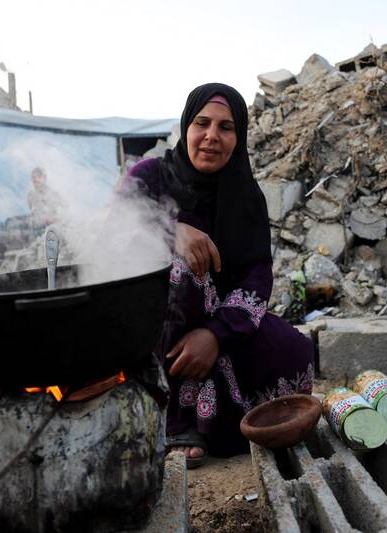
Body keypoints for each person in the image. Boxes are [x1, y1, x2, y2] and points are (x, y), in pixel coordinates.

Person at [120, 83, 314, 468]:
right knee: (182, 271)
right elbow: (110, 237)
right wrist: (170, 231)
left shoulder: (246, 195)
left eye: (226, 127)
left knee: (293, 350)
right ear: (185, 128)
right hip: (150, 328)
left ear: (238, 137)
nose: (212, 136)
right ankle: (174, 420)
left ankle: (218, 416)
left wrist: (215, 335)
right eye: (202, 123)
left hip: (220, 322)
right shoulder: (149, 177)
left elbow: (258, 275)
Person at [27, 167, 65, 233]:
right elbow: (32, 211)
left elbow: (64, 210)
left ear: (44, 178)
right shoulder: (31, 195)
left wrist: (53, 219)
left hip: (47, 226)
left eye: (39, 177)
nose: (36, 179)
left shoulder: (52, 194)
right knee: (10, 222)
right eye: (33, 177)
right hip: (34, 225)